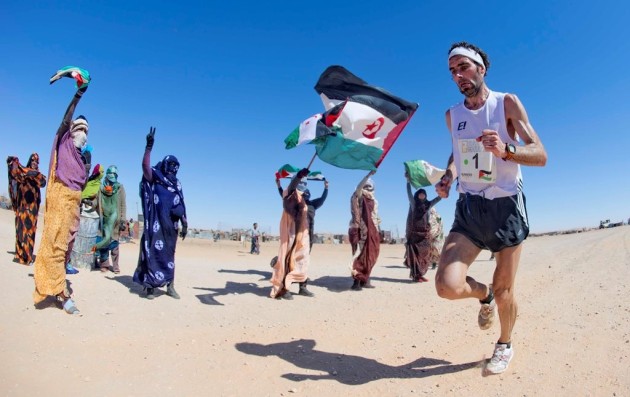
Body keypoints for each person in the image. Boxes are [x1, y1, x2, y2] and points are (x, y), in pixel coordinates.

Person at [434, 42, 547, 375]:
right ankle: (483, 297)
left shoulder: (506, 103)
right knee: (447, 286)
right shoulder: (452, 115)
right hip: (469, 206)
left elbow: (540, 154)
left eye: (464, 67)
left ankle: (505, 343)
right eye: (452, 70)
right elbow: (458, 153)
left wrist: (506, 150)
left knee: (505, 289)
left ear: (481, 69)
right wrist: (449, 175)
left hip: (506, 205)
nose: (458, 76)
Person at [33, 83, 90, 315]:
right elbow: (66, 119)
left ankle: (55, 284)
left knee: (66, 247)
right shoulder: (63, 141)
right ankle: (61, 294)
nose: (83, 135)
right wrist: (78, 94)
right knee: (56, 245)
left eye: (86, 132)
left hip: (74, 204)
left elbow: (83, 185)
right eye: (80, 129)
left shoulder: (81, 158)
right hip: (59, 199)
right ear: (71, 130)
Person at [133, 127, 188, 300]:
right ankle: (150, 287)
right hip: (155, 225)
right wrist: (148, 147)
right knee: (152, 252)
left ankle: (170, 286)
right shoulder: (156, 177)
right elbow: (145, 166)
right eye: (170, 166)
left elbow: (182, 203)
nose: (173, 170)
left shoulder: (177, 184)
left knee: (169, 256)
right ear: (164, 165)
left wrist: (185, 223)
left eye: (175, 167)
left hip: (171, 227)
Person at [270, 169, 314, 299]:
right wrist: (299, 175)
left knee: (304, 259)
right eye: (302, 182)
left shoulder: (303, 198)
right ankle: (284, 288)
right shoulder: (289, 194)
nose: (303, 184)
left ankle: (303, 286)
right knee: (289, 259)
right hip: (291, 234)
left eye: (305, 182)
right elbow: (292, 185)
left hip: (302, 235)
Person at [7, 154, 47, 265]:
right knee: (21, 231)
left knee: (30, 233)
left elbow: (43, 183)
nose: (35, 163)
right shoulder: (22, 174)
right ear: (30, 160)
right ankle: (20, 255)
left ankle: (27, 257)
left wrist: (32, 174)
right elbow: (15, 173)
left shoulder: (39, 176)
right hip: (22, 209)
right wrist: (12, 163)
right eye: (33, 160)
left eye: (37, 162)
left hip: (32, 211)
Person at [404, 179, 442, 283]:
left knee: (424, 255)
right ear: (417, 195)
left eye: (423, 194)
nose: (422, 196)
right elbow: (409, 193)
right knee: (415, 256)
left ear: (425, 196)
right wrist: (408, 182)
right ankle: (416, 275)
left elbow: (438, 198)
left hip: (425, 235)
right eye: (420, 194)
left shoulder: (428, 205)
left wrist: (444, 190)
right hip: (414, 234)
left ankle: (421, 274)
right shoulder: (413, 203)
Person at [276, 177, 329, 251]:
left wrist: (326, 188)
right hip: (296, 232)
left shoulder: (312, 204)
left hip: (308, 232)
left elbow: (322, 199)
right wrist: (279, 186)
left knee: (304, 253)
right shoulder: (296, 203)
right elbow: (284, 196)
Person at [349, 171, 380, 291]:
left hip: (373, 231)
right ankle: (356, 281)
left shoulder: (375, 201)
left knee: (371, 256)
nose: (367, 188)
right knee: (360, 255)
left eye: (369, 186)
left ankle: (365, 279)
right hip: (362, 229)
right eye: (365, 186)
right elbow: (358, 188)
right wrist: (368, 176)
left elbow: (375, 216)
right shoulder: (361, 196)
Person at [92, 165, 127, 273]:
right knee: (103, 242)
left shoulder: (120, 188)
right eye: (110, 175)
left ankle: (115, 265)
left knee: (114, 243)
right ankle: (105, 265)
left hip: (115, 220)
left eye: (114, 175)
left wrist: (122, 220)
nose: (112, 178)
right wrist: (90, 203)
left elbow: (122, 205)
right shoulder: (101, 188)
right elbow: (96, 202)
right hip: (104, 220)